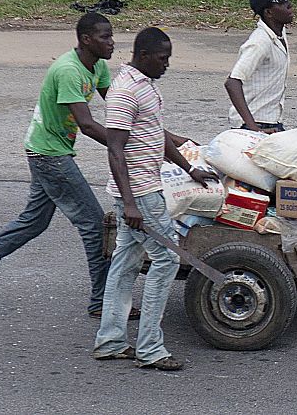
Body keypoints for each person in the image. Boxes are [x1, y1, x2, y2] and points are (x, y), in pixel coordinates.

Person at [0, 13, 137, 319]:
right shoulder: (69, 71)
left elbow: (117, 108)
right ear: (86, 40)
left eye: (111, 36)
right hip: (50, 155)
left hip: (45, 149)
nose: (112, 43)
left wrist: (151, 133)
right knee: (95, 225)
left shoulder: (97, 65)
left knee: (33, 222)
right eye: (105, 37)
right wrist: (128, 145)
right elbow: (87, 125)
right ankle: (104, 301)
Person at [92, 27, 217, 371]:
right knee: (166, 261)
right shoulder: (125, 92)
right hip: (141, 193)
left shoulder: (146, 85)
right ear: (143, 55)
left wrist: (190, 169)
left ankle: (111, 341)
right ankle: (150, 348)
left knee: (125, 262)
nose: (167, 65)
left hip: (144, 189)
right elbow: (115, 149)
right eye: (162, 59)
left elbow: (155, 135)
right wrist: (130, 203)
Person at [224, 0, 294, 133]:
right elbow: (232, 82)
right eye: (281, 3)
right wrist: (253, 129)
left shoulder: (278, 33)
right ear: (269, 12)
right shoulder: (260, 42)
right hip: (255, 124)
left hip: (271, 122)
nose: (289, 5)